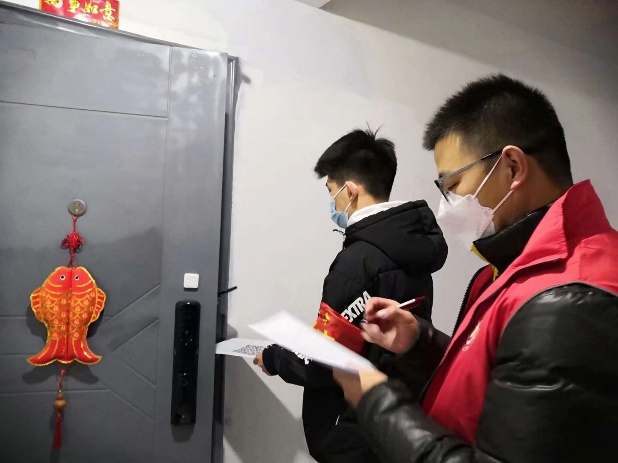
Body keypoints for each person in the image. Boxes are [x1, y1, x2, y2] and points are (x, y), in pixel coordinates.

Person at [334, 74, 618, 462]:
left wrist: (374, 401)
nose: (444, 208)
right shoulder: (513, 269)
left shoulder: (568, 299)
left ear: (512, 167)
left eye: (453, 185)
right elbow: (499, 380)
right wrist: (420, 344)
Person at [253, 128, 448, 462]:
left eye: (332, 191)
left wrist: (273, 359)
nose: (332, 202)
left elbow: (327, 359)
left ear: (351, 190)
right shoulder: (409, 249)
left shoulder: (358, 262)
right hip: (396, 418)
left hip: (354, 429)